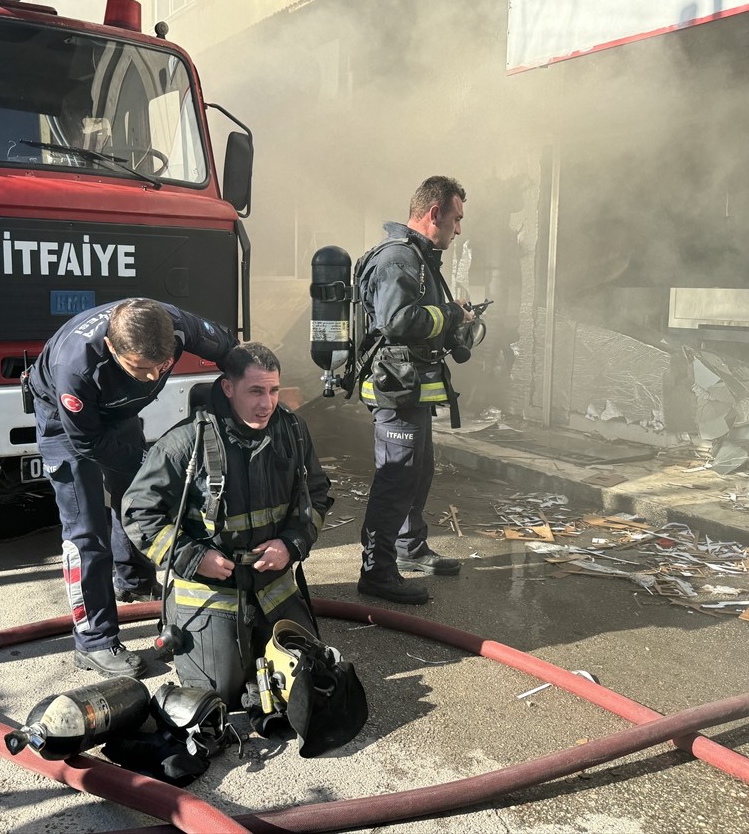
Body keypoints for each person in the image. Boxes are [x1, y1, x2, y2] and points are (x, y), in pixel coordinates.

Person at [27, 298, 238, 678]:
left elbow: (230, 349)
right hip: (69, 427)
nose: (155, 375)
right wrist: (150, 465)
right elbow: (89, 442)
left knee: (140, 501)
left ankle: (136, 583)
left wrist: (246, 386)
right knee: (85, 532)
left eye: (163, 365)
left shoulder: (174, 322)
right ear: (112, 348)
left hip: (119, 413)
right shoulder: (75, 367)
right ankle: (93, 642)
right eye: (142, 368)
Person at [122, 343, 334, 708]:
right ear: (228, 388)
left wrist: (293, 543)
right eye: (255, 391)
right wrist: (192, 557)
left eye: (273, 390)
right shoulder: (185, 442)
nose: (266, 404)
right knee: (217, 697)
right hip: (212, 592)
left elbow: (317, 494)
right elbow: (139, 513)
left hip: (273, 588)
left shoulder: (293, 431)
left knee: (308, 679)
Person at [355, 176, 472, 605]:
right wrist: (448, 314)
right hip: (395, 390)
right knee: (395, 478)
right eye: (455, 219)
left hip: (412, 389)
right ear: (434, 213)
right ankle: (376, 571)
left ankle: (408, 547)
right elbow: (396, 320)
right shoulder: (399, 258)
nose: (458, 230)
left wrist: (451, 317)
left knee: (418, 472)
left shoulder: (420, 259)